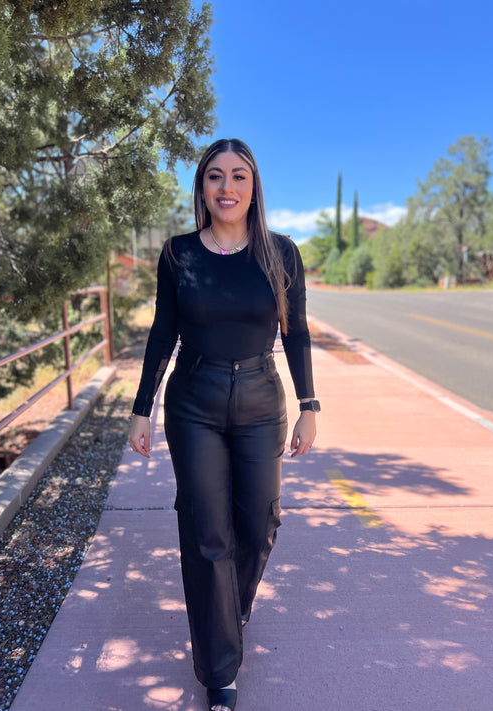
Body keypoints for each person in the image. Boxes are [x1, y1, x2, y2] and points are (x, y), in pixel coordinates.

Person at [128, 138, 319, 711]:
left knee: (260, 524)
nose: (227, 187)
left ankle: (231, 609)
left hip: (262, 397)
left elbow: (299, 333)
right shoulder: (179, 253)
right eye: (215, 177)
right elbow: (164, 333)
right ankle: (220, 674)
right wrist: (142, 407)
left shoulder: (281, 253)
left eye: (239, 176)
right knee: (207, 533)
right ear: (201, 187)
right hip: (195, 401)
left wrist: (310, 406)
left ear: (254, 186)